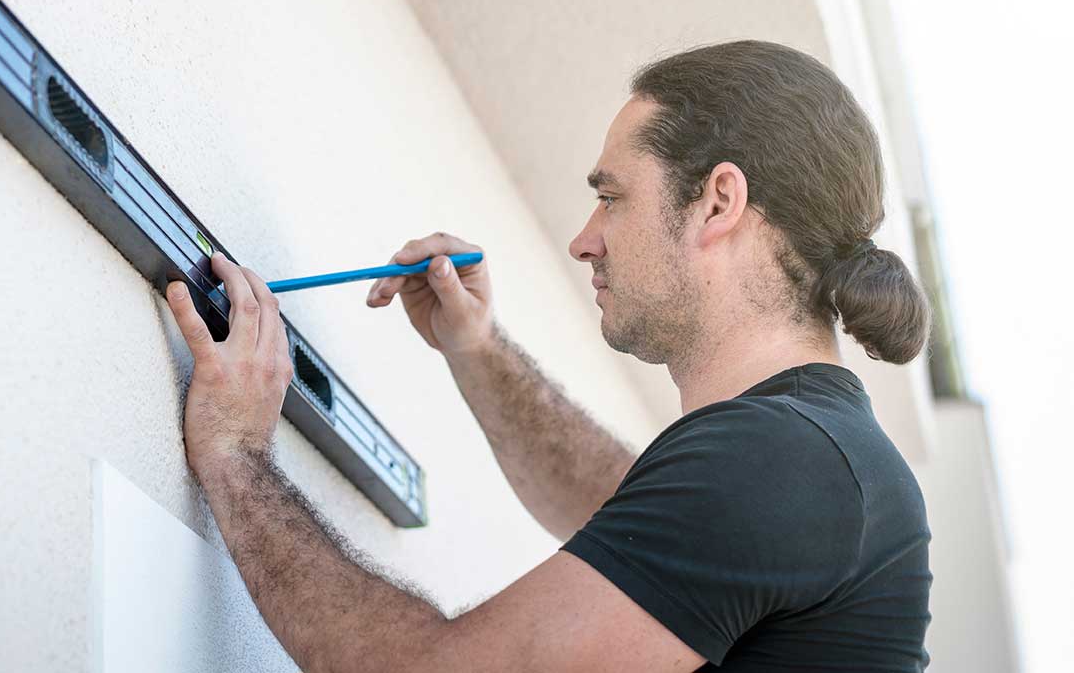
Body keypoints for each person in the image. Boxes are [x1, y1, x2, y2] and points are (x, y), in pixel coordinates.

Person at [164, 40, 933, 671]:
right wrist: (477, 349)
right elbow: (619, 508)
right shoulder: (808, 456)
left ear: (718, 203)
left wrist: (236, 455)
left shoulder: (778, 459)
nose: (584, 239)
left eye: (614, 196)